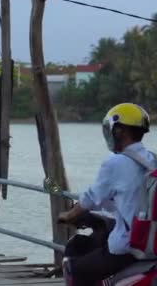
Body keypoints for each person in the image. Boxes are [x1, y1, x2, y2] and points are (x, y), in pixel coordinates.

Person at [58, 103, 155, 285]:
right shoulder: (152, 160)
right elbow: (127, 199)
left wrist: (68, 215)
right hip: (151, 244)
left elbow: (90, 198)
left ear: (120, 132)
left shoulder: (115, 163)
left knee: (76, 269)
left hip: (126, 248)